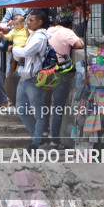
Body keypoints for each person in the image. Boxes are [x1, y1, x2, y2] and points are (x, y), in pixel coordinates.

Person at [12, 9, 51, 150]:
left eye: (31, 20)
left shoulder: (40, 37)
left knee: (38, 113)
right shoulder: (32, 35)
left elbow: (26, 52)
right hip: (24, 78)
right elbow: (21, 56)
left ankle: (36, 142)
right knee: (21, 110)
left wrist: (14, 49)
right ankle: (38, 137)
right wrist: (18, 51)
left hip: (34, 79)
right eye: (28, 20)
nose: (28, 22)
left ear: (39, 22)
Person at [45, 14, 85, 149]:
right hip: (60, 73)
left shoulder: (48, 30)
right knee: (57, 107)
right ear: (69, 25)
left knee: (45, 105)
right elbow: (79, 44)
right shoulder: (67, 32)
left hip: (45, 73)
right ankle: (54, 140)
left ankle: (43, 135)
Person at [2, 12, 29, 106]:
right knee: (11, 74)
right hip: (16, 52)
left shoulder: (26, 30)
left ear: (22, 24)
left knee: (18, 74)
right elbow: (8, 37)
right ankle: (11, 98)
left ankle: (17, 100)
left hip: (24, 52)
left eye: (17, 24)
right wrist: (2, 36)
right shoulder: (14, 31)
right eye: (14, 24)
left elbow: (29, 38)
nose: (15, 26)